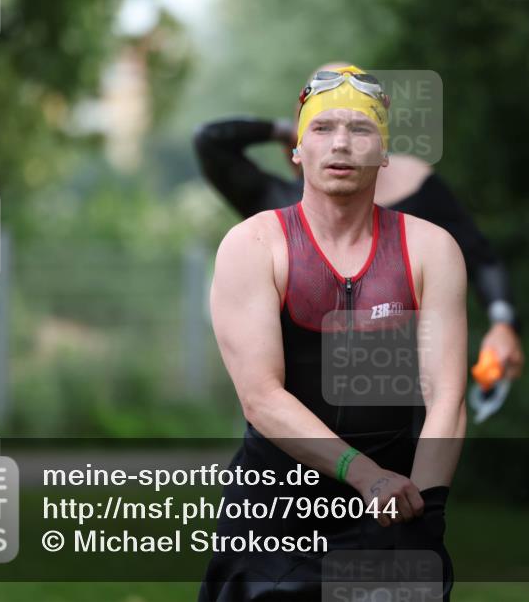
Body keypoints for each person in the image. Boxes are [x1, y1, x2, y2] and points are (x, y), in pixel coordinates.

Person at [199, 65, 467, 600]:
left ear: (385, 155)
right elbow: (262, 398)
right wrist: (366, 476)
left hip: (390, 508)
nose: (341, 143)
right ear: (297, 149)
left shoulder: (431, 248)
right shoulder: (254, 245)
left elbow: (447, 395)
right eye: (322, 129)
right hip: (274, 509)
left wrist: (428, 510)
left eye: (361, 129)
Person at [194, 64, 524, 387]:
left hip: (399, 397)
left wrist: (502, 324)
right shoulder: (274, 201)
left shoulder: (416, 186)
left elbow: (480, 257)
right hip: (292, 406)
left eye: (356, 121)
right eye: (323, 123)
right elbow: (210, 141)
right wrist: (289, 128)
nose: (340, 140)